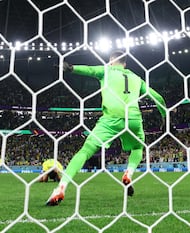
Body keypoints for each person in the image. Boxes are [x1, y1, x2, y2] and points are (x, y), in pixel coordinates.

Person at [46, 51, 167, 206]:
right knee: (137, 148)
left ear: (111, 61)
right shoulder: (137, 78)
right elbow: (158, 98)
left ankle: (61, 187)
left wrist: (71, 68)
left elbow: (89, 70)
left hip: (111, 118)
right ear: (125, 63)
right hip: (134, 119)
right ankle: (129, 174)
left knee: (85, 151)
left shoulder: (106, 70)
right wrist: (165, 117)